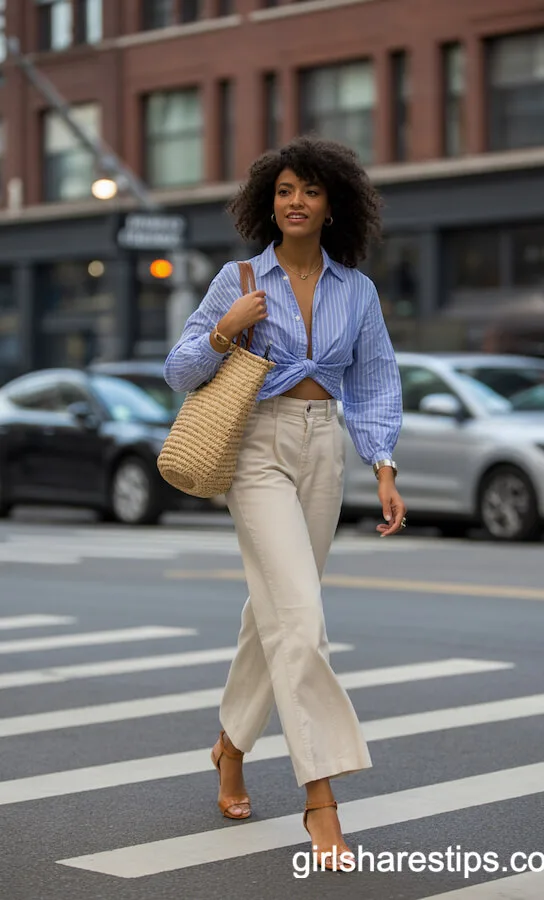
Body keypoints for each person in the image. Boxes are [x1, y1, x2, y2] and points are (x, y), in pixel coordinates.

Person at [163, 135, 406, 872]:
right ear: (268, 203)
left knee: (270, 613)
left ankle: (230, 746)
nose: (296, 202)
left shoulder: (356, 291)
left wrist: (384, 465)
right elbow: (179, 370)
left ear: (334, 205)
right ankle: (321, 797)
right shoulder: (238, 279)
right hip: (255, 449)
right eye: (284, 190)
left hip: (323, 446)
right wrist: (225, 329)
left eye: (310, 190)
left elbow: (375, 380)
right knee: (300, 618)